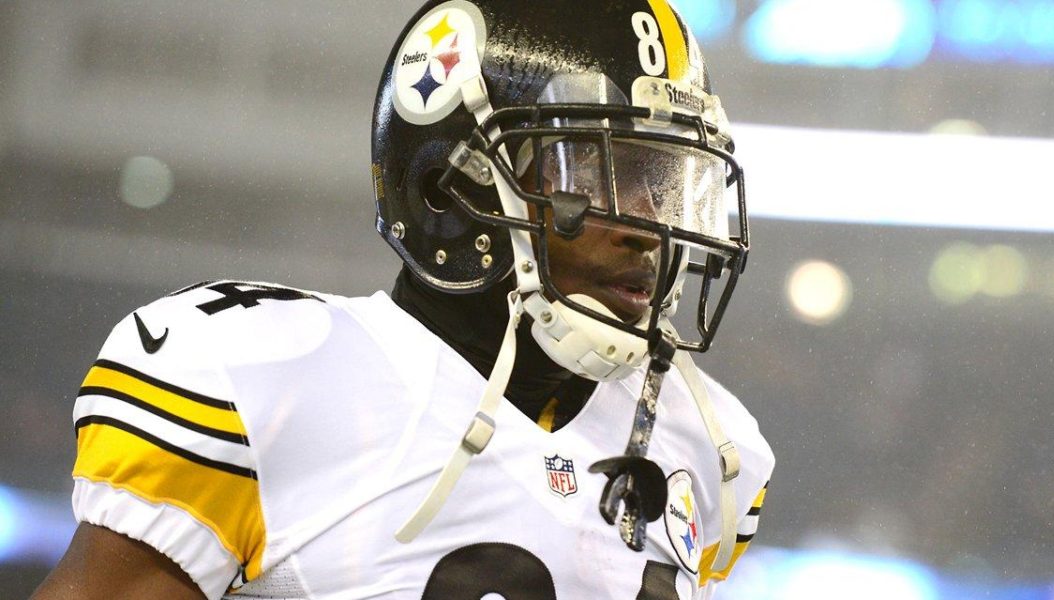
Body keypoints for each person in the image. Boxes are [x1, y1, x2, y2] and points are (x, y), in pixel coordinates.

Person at [32, 1, 774, 598]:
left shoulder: (713, 447)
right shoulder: (266, 375)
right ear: (447, 188)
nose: (649, 227)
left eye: (664, 180)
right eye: (598, 174)